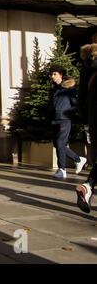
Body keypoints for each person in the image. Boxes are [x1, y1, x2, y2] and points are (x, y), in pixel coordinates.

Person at [49, 64, 87, 180]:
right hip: (55, 120)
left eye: (54, 74)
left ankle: (62, 170)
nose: (52, 76)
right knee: (57, 144)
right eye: (51, 74)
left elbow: (75, 105)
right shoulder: (53, 88)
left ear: (60, 74)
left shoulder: (69, 89)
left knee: (60, 142)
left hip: (65, 120)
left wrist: (67, 113)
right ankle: (79, 159)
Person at [76, 32, 97, 213]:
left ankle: (88, 187)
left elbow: (81, 96)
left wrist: (86, 122)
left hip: (93, 117)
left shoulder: (87, 65)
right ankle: (88, 186)